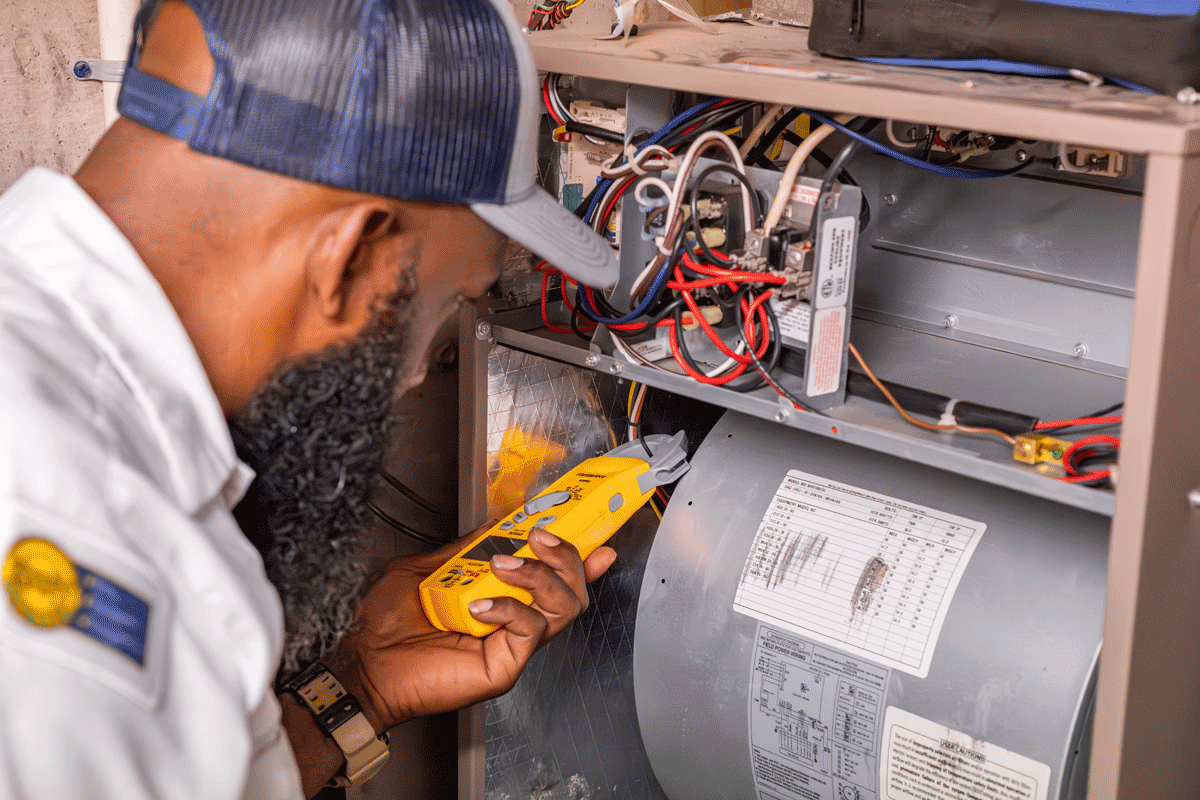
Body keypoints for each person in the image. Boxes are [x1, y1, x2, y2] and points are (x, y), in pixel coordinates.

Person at [0, 0, 619, 796]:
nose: (413, 378)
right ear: (353, 253)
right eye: (436, 319)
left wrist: (363, 684)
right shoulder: (95, 538)